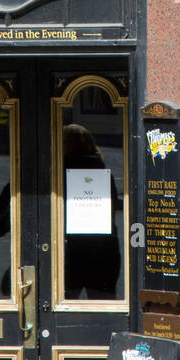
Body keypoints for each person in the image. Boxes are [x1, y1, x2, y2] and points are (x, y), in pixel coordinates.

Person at [63, 124, 122, 300]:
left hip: (72, 250)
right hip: (104, 250)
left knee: (63, 304)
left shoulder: (60, 171)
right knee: (102, 305)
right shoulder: (101, 170)